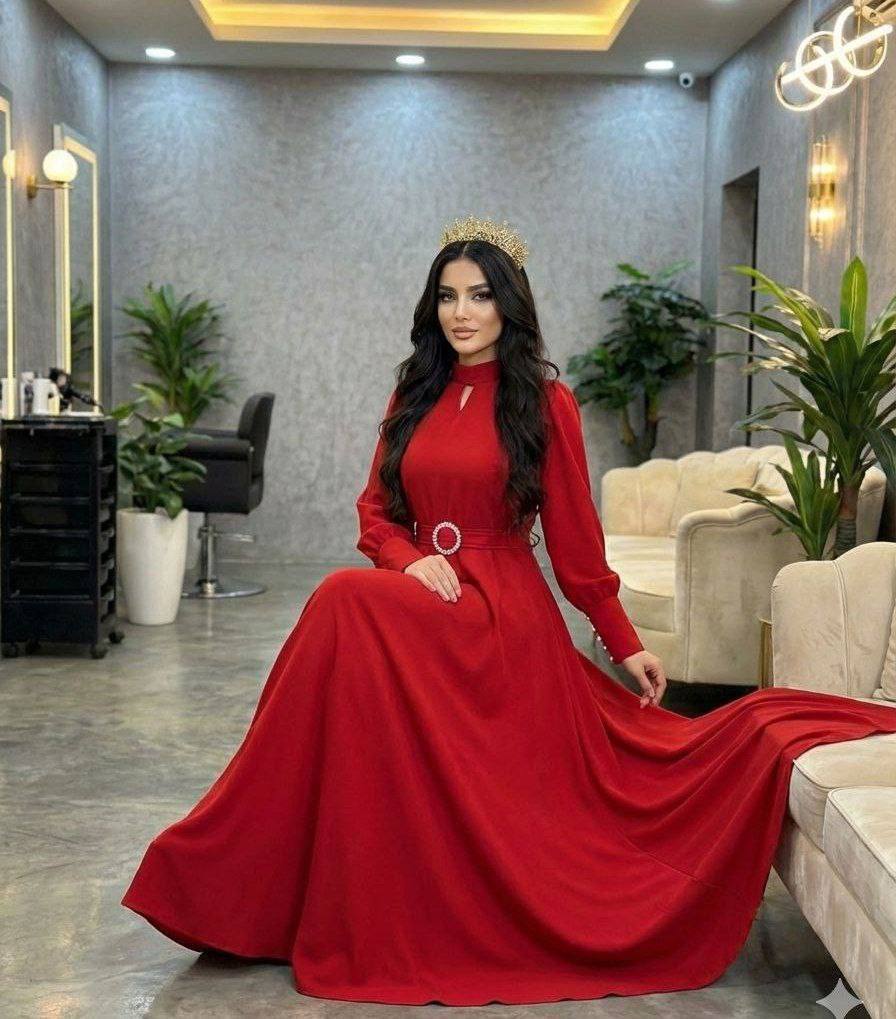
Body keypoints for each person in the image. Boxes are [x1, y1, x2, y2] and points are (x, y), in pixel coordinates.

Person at [121, 216, 896, 1007]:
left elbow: (574, 543)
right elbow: (375, 512)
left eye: (480, 296)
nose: (462, 312)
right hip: (426, 594)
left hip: (500, 613)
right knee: (345, 608)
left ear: (509, 304)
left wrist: (622, 639)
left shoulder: (544, 401)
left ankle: (236, 870)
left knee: (340, 600)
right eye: (448, 296)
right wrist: (407, 558)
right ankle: (264, 877)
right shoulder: (415, 391)